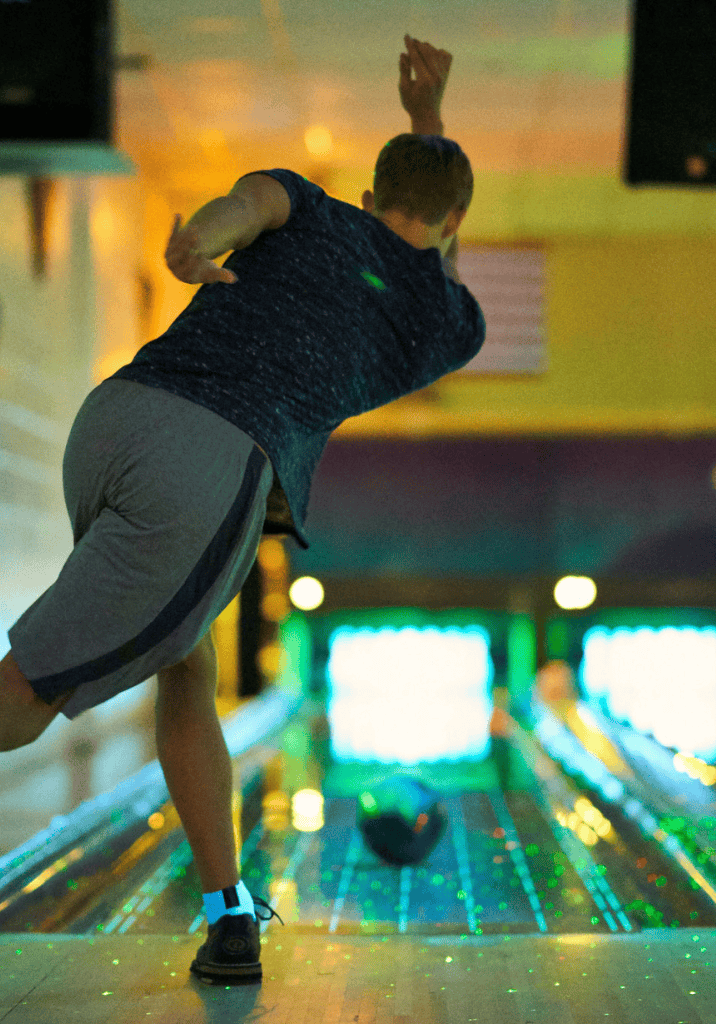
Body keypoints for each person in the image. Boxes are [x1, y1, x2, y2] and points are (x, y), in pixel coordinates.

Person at [0, 35, 485, 984]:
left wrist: (198, 240)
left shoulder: (307, 203)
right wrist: (432, 126)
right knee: (26, 696)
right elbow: (435, 258)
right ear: (456, 214)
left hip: (115, 417)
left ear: (372, 184)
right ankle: (226, 913)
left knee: (189, 663)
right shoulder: (444, 322)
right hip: (209, 458)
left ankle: (228, 915)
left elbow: (242, 207)